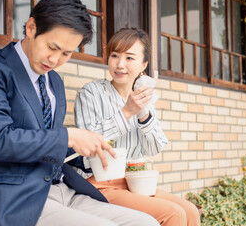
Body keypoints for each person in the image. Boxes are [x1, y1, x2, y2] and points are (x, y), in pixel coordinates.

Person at [0, 0, 159, 226]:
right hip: (14, 198)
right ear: (31, 27)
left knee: (145, 223)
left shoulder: (54, 81)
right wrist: (70, 136)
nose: (55, 60)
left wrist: (88, 154)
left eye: (67, 54)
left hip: (63, 190)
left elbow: (47, 144)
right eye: (52, 47)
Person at [74, 28, 201, 226]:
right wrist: (127, 112)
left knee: (191, 211)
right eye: (115, 55)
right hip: (99, 182)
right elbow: (88, 142)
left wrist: (144, 114)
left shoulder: (145, 99)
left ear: (144, 65)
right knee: (173, 214)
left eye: (129, 58)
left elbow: (154, 148)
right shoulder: (91, 93)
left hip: (136, 181)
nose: (120, 64)